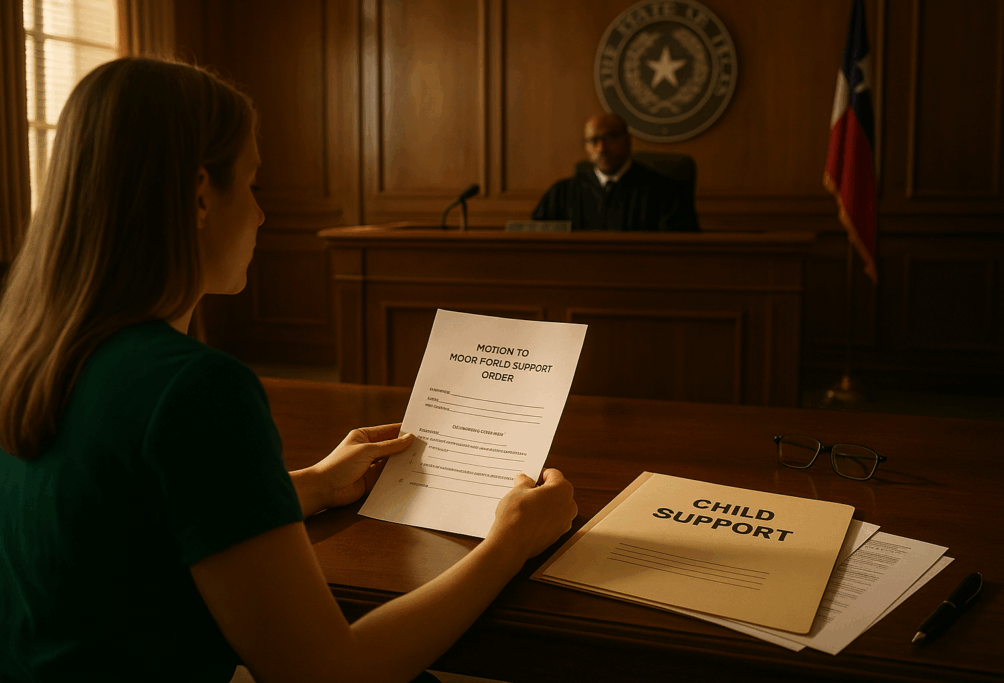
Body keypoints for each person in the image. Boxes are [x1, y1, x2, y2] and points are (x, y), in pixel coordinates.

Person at [0, 57, 577, 683]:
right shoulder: (193, 388)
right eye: (250, 184)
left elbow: (129, 514)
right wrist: (509, 543)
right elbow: (329, 673)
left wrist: (312, 484)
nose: (261, 214)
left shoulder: (29, 349)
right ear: (199, 196)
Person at [530, 113, 700, 232]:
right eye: (593, 140)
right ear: (586, 147)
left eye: (609, 138)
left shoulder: (665, 192)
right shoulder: (561, 194)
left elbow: (681, 252)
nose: (601, 148)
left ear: (628, 141)